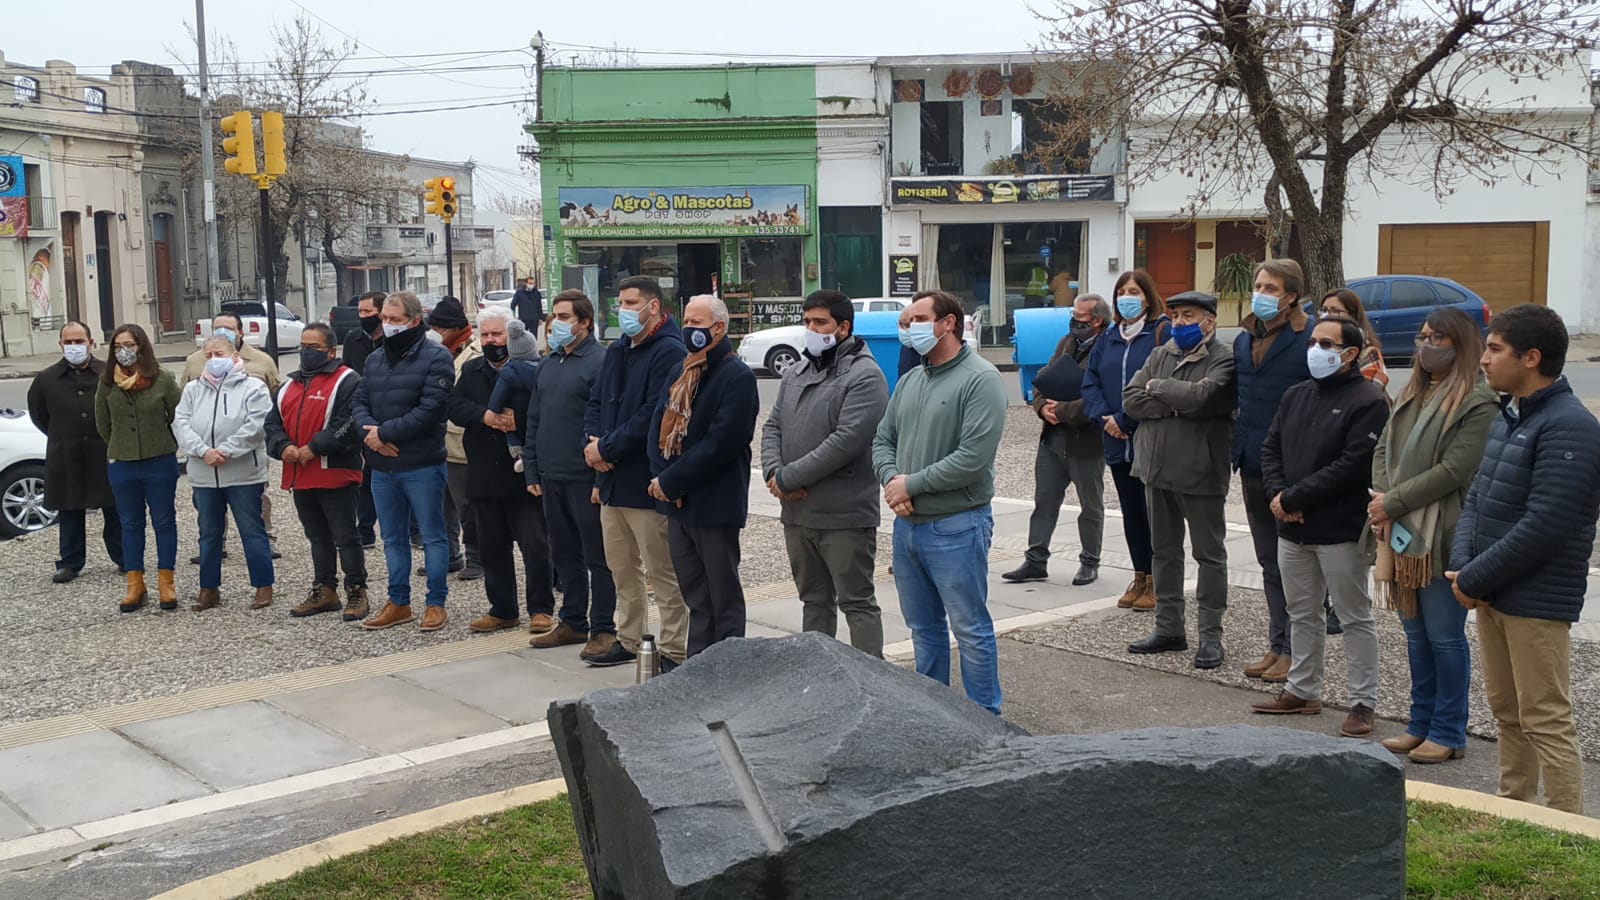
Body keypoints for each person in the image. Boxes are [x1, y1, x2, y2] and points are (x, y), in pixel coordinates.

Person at [1448, 304, 1600, 815]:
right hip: (1492, 590)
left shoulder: (1570, 427)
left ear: (1531, 357)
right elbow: (1477, 499)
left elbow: (1546, 525)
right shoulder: (1510, 414)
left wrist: (1474, 575)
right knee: (1507, 712)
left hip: (1535, 599)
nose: (1484, 359)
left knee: (1545, 718)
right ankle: (1514, 811)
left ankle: (1564, 829)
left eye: (1494, 349)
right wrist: (1464, 564)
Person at [1367, 309, 1496, 764]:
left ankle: (1448, 731)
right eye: (1423, 336)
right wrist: (1383, 496)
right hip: (1401, 529)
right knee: (1416, 637)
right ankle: (1419, 723)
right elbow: (1383, 447)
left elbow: (1456, 470)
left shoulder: (1477, 402)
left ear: (1460, 346)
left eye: (1438, 337)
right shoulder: (1412, 392)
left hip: (1441, 533)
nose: (1426, 345)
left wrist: (1391, 502)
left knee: (1444, 637)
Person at [1249, 316, 1389, 734]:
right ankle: (1303, 689)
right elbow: (1270, 447)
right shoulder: (1296, 394)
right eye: (1313, 341)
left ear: (1349, 353)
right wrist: (1278, 496)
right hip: (1291, 528)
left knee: (1353, 615)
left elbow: (1352, 466)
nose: (1316, 350)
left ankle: (1363, 701)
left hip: (1338, 528)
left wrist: (1294, 498)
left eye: (1326, 344)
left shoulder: (1368, 400)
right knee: (1301, 612)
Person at [872, 290, 1008, 714]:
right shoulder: (912, 379)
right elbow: (883, 439)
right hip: (908, 526)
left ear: (947, 323)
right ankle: (934, 716)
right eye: (905, 320)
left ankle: (986, 718)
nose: (907, 328)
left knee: (970, 628)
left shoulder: (981, 379)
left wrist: (911, 485)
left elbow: (972, 459)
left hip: (956, 525)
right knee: (923, 629)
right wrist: (893, 481)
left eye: (916, 318)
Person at [761, 290, 889, 656]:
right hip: (799, 514)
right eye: (807, 322)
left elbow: (846, 441)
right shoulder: (796, 371)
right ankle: (815, 679)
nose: (811, 329)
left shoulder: (865, 376)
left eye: (820, 323)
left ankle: (872, 681)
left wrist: (789, 478)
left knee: (857, 602)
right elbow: (772, 427)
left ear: (843, 327)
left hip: (843, 514)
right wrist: (773, 471)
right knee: (813, 602)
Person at [1123, 291, 1237, 670]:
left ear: (1209, 321)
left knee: (1209, 555)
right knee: (1164, 553)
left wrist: (1159, 390)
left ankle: (1210, 636)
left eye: (1189, 316)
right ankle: (1169, 628)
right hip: (1155, 470)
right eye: (1176, 316)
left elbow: (1204, 398)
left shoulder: (1223, 357)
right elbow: (1131, 400)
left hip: (1200, 471)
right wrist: (1176, 401)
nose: (1180, 323)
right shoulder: (1161, 353)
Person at [584, 275, 690, 668]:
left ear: (653, 307)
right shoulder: (617, 349)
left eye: (631, 303)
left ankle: (676, 648)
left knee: (662, 572)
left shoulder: (669, 352)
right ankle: (628, 639)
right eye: (621, 304)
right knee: (622, 568)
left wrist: (606, 448)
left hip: (644, 480)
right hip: (611, 480)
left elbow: (654, 413)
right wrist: (592, 448)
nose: (623, 311)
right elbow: (595, 402)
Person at [645, 295, 760, 658]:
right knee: (695, 594)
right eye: (687, 322)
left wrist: (672, 481)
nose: (690, 329)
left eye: (698, 323)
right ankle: (699, 665)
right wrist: (661, 477)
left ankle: (727, 666)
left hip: (714, 503)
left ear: (719, 328)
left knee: (722, 595)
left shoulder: (736, 375)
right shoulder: (682, 368)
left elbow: (721, 443)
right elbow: (658, 424)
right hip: (679, 505)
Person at [352, 291, 457, 632]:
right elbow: (359, 402)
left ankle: (435, 603)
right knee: (392, 538)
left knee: (432, 536)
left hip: (422, 463)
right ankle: (398, 601)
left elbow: (429, 411)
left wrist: (383, 434)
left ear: (414, 321)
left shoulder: (436, 357)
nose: (387, 326)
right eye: (384, 319)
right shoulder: (375, 359)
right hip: (383, 466)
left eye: (394, 321)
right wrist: (373, 436)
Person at [448, 309, 556, 636]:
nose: (491, 341)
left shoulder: (535, 369)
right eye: (485, 336)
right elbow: (452, 406)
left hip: (523, 476)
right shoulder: (471, 369)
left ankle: (541, 609)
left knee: (536, 546)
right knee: (492, 548)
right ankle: (503, 609)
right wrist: (484, 416)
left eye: (497, 335)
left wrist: (516, 422)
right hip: (483, 472)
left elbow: (549, 409)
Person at [1233, 259, 1313, 684]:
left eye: (1270, 286)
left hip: (1293, 466)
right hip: (1251, 461)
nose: (1261, 292)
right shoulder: (1246, 338)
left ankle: (1297, 651)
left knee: (1295, 566)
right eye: (1258, 284)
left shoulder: (1310, 337)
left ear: (1291, 295)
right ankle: (1277, 643)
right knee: (1268, 562)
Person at [525, 291, 616, 658]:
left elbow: (604, 423)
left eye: (564, 317)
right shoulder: (547, 364)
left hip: (585, 477)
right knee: (564, 553)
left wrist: (599, 479)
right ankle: (573, 621)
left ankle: (604, 627)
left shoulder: (601, 363)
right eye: (553, 316)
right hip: (551, 475)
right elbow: (535, 419)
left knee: (598, 556)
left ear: (585, 323)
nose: (555, 323)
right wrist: (532, 467)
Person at [1004, 293, 1110, 587]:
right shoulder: (1067, 342)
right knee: (1045, 501)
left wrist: (1062, 411)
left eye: (1081, 317)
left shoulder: (1108, 347)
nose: (1074, 322)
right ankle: (1036, 560)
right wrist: (1042, 408)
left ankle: (1090, 561)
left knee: (1090, 505)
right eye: (1073, 315)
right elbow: (1044, 378)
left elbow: (1100, 397)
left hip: (1086, 441)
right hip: (1053, 438)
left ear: (1098, 320)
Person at [265, 323, 369, 621]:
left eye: (314, 347)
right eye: (303, 346)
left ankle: (357, 590)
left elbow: (349, 422)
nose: (306, 352)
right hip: (300, 474)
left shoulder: (348, 381)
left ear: (331, 351)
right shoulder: (288, 386)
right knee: (317, 536)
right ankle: (325, 589)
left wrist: (316, 446)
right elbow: (272, 423)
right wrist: (282, 446)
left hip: (334, 473)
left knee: (345, 535)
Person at [1082, 270, 1170, 611]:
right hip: (1115, 440)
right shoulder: (1108, 337)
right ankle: (1140, 574)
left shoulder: (1159, 333)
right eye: (1122, 291)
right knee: (1132, 512)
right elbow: (1090, 381)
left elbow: (1160, 383)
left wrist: (1127, 419)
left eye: (1134, 291)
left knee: (1155, 514)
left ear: (1147, 296)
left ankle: (1160, 580)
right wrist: (1105, 418)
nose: (1127, 297)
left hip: (1147, 437)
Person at [173, 336, 276, 611]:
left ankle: (263, 585)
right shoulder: (193, 389)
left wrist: (226, 451)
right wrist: (203, 450)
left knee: (252, 531)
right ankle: (209, 588)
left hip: (243, 474)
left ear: (233, 356)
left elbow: (257, 426)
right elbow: (180, 423)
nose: (212, 358)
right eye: (207, 355)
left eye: (218, 353)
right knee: (208, 533)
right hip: (204, 474)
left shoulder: (253, 388)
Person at [181, 311, 283, 561]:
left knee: (254, 512)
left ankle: (266, 544)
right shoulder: (195, 362)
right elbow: (182, 409)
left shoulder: (261, 360)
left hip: (244, 462)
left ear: (240, 332)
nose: (221, 332)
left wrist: (227, 449)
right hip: (205, 463)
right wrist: (203, 450)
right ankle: (218, 553)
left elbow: (274, 399)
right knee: (209, 520)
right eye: (216, 328)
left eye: (227, 328)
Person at [96, 324, 183, 612]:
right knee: (130, 523)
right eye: (118, 345)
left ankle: (166, 583)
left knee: (163, 520)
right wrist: (122, 446)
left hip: (160, 460)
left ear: (141, 346)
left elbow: (177, 415)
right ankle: (135, 585)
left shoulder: (163, 379)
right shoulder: (107, 383)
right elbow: (103, 423)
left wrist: (159, 441)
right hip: (123, 463)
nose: (124, 351)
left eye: (130, 344)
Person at [30, 322, 121, 584]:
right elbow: (39, 415)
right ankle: (70, 562)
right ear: (60, 345)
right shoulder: (46, 379)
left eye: (79, 341)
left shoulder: (108, 372)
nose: (74, 346)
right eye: (68, 342)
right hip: (66, 453)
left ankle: (124, 558)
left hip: (104, 452)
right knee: (69, 510)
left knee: (113, 508)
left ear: (91, 343)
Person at [430, 296, 481, 581]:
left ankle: (477, 557)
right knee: (441, 505)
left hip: (462, 442)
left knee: (466, 505)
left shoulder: (475, 352)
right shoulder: (435, 352)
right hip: (436, 441)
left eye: (439, 327)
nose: (435, 332)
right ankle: (449, 555)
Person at [344, 292, 386, 548]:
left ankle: (414, 531)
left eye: (368, 312)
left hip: (389, 413)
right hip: (361, 414)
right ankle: (365, 530)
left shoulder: (394, 339)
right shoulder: (353, 339)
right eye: (360, 312)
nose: (363, 317)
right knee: (364, 478)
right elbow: (347, 374)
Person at [486, 319, 542, 464]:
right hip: (535, 417)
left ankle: (518, 455)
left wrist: (494, 409)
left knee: (512, 434)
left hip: (513, 411)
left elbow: (497, 398)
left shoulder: (509, 372)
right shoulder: (544, 368)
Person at [1318, 288, 1388, 388]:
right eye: (1324, 310)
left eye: (1335, 311)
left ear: (1352, 316)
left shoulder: (1368, 353)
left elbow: (1371, 391)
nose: (1327, 316)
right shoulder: (1316, 348)